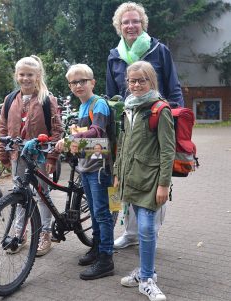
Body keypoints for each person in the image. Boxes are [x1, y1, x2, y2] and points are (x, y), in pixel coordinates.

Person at [106, 1, 184, 250]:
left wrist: (172, 120)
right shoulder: (114, 56)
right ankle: (130, 234)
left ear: (143, 24)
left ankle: (150, 233)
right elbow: (111, 96)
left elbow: (173, 88)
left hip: (153, 123)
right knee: (126, 177)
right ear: (119, 26)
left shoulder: (158, 50)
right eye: (125, 22)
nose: (130, 25)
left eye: (135, 21)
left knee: (153, 178)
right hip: (127, 126)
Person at [114, 60, 175, 301]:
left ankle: (147, 279)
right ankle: (144, 273)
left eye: (142, 80)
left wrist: (164, 184)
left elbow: (167, 151)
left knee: (147, 228)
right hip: (131, 178)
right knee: (140, 228)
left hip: (150, 180)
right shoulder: (129, 108)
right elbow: (123, 146)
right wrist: (118, 173)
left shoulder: (159, 109)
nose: (136, 84)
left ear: (151, 81)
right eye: (132, 80)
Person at [0, 55, 63, 256]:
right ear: (17, 76)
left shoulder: (47, 100)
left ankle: (45, 232)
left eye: (30, 75)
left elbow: (57, 130)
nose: (26, 78)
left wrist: (52, 158)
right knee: (19, 195)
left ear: (38, 76)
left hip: (40, 156)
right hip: (18, 155)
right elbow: (2, 129)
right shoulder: (9, 100)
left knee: (42, 195)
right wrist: (3, 154)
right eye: (22, 74)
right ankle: (20, 232)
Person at [56, 64, 114, 280]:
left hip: (100, 168)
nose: (79, 85)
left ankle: (106, 259)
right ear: (70, 86)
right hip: (88, 166)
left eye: (83, 81)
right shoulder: (82, 106)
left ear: (93, 82)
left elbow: (98, 133)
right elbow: (89, 140)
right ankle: (97, 248)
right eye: (74, 82)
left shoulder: (98, 104)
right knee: (94, 210)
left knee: (101, 213)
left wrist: (72, 140)